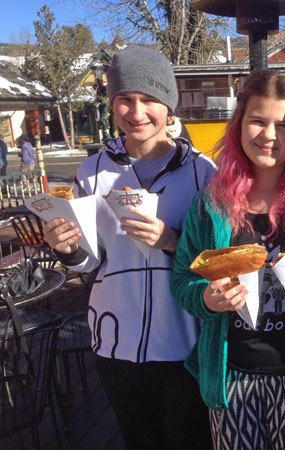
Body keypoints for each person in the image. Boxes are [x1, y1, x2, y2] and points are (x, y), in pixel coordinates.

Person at [42, 45, 215, 450]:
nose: (136, 112)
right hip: (116, 343)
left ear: (168, 107)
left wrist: (171, 240)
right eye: (125, 99)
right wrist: (66, 249)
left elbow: (217, 259)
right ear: (112, 104)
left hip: (184, 341)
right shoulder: (92, 171)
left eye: (149, 99)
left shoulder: (203, 172)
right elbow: (88, 262)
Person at [170, 70, 285, 449]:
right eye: (257, 121)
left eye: (284, 125)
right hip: (229, 374)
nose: (269, 135)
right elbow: (183, 280)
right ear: (239, 126)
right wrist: (206, 298)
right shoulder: (210, 206)